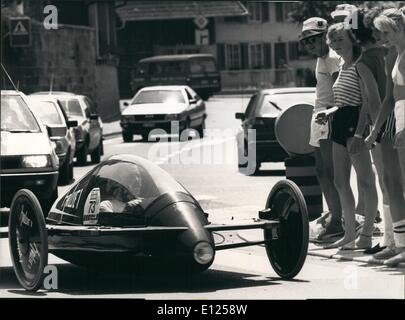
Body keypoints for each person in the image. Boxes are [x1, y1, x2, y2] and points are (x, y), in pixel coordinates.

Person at [320, 22, 378, 250]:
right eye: (332, 40)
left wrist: (359, 133)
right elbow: (341, 102)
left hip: (356, 124)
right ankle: (349, 233)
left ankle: (367, 233)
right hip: (339, 121)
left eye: (340, 39)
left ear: (352, 40)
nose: (335, 44)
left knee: (365, 180)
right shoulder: (342, 66)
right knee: (339, 181)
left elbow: (365, 102)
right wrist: (327, 112)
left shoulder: (359, 65)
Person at [350, 7, 393, 251]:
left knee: (388, 184)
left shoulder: (364, 61)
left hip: (383, 126)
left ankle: (390, 239)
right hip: (399, 119)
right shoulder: (390, 52)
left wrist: (374, 132)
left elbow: (372, 100)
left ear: (355, 36)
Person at [366, 7, 405, 266]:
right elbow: (389, 99)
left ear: (401, 29)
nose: (383, 38)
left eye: (387, 32)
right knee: (394, 184)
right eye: (380, 34)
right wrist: (374, 131)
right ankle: (401, 244)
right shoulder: (393, 56)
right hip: (398, 120)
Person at [299, 17, 344, 241]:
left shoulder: (333, 58)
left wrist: (332, 114)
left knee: (331, 172)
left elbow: (340, 91)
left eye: (313, 40)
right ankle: (335, 213)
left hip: (328, 116)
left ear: (324, 37)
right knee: (321, 171)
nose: (309, 45)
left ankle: (338, 220)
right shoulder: (322, 58)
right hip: (319, 117)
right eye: (305, 42)